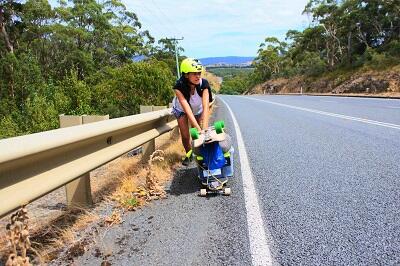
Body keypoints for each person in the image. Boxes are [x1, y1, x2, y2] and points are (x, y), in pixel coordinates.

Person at [172, 58, 213, 166]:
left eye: (199, 73)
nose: (198, 76)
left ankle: (201, 154)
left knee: (197, 133)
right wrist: (200, 130)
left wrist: (204, 130)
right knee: (186, 135)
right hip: (181, 109)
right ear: (186, 75)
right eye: (194, 74)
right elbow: (187, 111)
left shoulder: (204, 84)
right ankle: (189, 154)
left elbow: (206, 107)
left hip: (198, 109)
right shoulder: (179, 87)